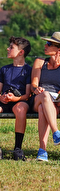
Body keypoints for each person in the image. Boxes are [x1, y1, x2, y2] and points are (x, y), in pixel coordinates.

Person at [0, 36, 32, 161]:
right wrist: (2, 98)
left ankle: (18, 149)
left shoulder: (28, 70)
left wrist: (15, 98)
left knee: (20, 110)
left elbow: (27, 95)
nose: (7, 48)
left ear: (21, 52)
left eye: (11, 47)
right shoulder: (4, 69)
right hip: (4, 101)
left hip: (20, 101)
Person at [31, 32, 60, 161]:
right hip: (39, 97)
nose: (45, 45)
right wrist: (36, 89)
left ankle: (42, 151)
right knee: (45, 96)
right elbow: (33, 84)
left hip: (55, 103)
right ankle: (56, 132)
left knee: (44, 109)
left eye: (49, 44)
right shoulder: (40, 62)